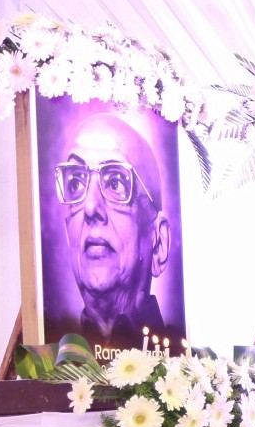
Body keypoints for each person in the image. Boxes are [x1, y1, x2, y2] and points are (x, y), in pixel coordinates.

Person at [58, 114, 171, 350]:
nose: (90, 207)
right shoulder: (49, 359)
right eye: (76, 183)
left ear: (159, 244)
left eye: (115, 183)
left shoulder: (184, 370)